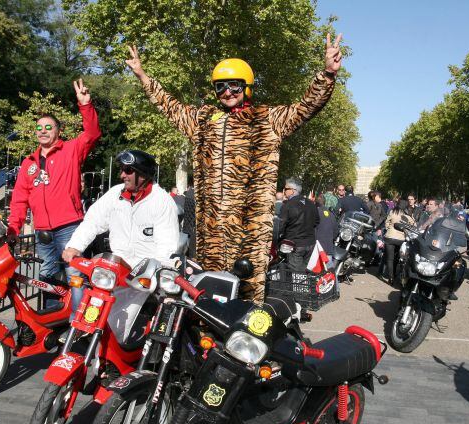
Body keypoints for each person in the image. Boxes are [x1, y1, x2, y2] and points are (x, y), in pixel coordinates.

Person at [125, 36, 342, 301]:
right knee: (207, 297)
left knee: (247, 302)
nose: (227, 92)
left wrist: (327, 74)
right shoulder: (202, 121)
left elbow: (306, 107)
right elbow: (170, 107)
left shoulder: (268, 120)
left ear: (247, 86)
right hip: (210, 233)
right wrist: (143, 76)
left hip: (249, 232)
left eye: (234, 85)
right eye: (220, 87)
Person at [62, 150, 179, 342]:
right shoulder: (114, 194)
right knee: (94, 318)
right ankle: (101, 363)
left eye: (127, 170)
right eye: (122, 170)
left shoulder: (162, 201)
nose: (122, 175)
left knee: (117, 327)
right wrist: (75, 246)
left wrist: (156, 274)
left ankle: (115, 366)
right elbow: (92, 221)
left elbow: (167, 246)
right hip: (114, 271)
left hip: (143, 276)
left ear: (142, 174)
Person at [6, 78, 101, 308]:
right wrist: (13, 229)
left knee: (75, 276)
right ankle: (52, 322)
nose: (43, 131)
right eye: (39, 128)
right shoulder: (28, 163)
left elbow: (92, 133)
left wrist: (85, 105)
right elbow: (19, 199)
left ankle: (78, 332)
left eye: (48, 127)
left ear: (58, 131)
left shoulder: (71, 150)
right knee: (47, 276)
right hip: (43, 232)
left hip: (69, 227)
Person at [276, 178, 319, 272]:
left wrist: (277, 238)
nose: (284, 191)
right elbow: (316, 222)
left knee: (296, 276)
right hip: (310, 244)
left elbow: (280, 225)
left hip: (295, 244)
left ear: (292, 191)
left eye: (286, 189)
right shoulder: (311, 204)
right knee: (304, 274)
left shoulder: (288, 205)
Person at [380, 200, 413, 283]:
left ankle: (390, 277)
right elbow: (413, 225)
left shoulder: (392, 211)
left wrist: (389, 228)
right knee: (397, 258)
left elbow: (387, 222)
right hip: (401, 239)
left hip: (390, 237)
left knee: (390, 258)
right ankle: (395, 274)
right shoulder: (408, 215)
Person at [314, 195, 337, 262]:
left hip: (316, 248)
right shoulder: (331, 214)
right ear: (325, 202)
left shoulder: (314, 213)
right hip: (328, 248)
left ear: (315, 202)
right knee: (328, 271)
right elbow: (335, 231)